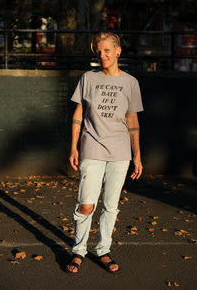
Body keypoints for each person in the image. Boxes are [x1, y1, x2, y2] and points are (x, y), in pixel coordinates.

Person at [66, 32, 144, 273]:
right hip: (92, 147)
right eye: (98, 52)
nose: (102, 55)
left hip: (120, 153)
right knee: (87, 205)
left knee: (110, 206)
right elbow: (79, 114)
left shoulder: (130, 82)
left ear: (118, 51)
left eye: (107, 51)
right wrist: (73, 146)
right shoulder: (88, 78)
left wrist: (137, 155)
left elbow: (132, 120)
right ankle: (78, 250)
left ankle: (103, 250)